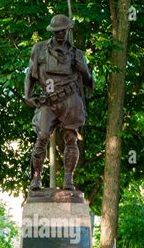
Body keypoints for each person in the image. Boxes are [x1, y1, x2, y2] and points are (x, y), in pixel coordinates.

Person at [24, 14, 93, 191]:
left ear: (67, 30)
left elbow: (88, 81)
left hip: (70, 99)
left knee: (71, 139)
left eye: (62, 31)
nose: (60, 34)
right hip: (48, 101)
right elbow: (30, 75)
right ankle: (36, 177)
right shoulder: (39, 49)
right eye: (56, 31)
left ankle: (68, 178)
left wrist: (82, 69)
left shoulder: (76, 53)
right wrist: (28, 95)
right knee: (42, 136)